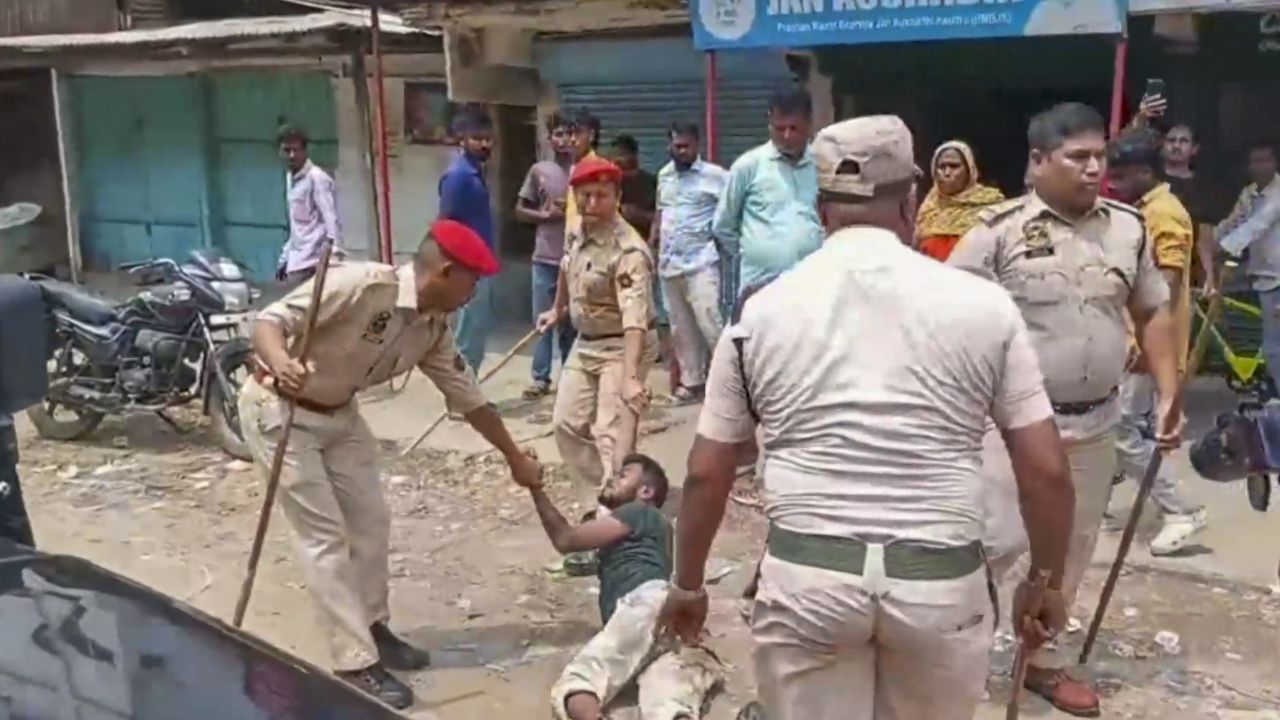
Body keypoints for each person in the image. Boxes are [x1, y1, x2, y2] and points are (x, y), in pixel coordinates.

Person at [657, 114, 1076, 720]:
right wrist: (1044, 580)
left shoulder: (760, 314)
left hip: (808, 583)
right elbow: (1047, 472)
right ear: (910, 204)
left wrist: (688, 586)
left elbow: (706, 471)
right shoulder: (985, 308)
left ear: (820, 209)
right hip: (940, 585)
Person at [238, 219, 542, 709]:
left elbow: (468, 398)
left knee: (370, 524)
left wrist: (513, 457)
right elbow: (268, 324)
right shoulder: (360, 285)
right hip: (281, 411)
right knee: (324, 538)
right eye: (472, 281)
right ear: (445, 272)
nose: (474, 292)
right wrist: (281, 362)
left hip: (341, 416)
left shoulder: (432, 328)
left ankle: (372, 627)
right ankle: (353, 662)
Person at [949, 102, 1182, 716]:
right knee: (990, 543)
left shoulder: (1128, 230)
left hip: (1098, 420)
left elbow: (1153, 310)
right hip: (1010, 426)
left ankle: (1042, 662)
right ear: (1037, 162)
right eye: (1077, 158)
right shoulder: (994, 233)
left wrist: (1168, 392)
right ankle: (955, 658)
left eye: (1099, 156)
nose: (1093, 168)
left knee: (1070, 551)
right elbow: (943, 319)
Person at [526, 454, 721, 720]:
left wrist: (535, 487)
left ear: (646, 491)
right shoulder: (656, 532)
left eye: (623, 474)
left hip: (644, 602)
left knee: (578, 684)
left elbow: (566, 539)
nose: (612, 478)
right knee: (668, 698)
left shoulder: (638, 512)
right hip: (668, 614)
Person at [1106, 127, 1207, 555]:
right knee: (1119, 427)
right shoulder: (1147, 207)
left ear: (1145, 172)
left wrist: (1142, 341)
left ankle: (1180, 509)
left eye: (1122, 177)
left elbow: (1163, 286)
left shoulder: (1164, 213)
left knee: (1124, 431)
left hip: (1147, 347)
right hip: (1134, 341)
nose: (1116, 185)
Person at [536, 158, 656, 489]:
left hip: (623, 345)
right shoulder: (576, 231)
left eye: (601, 195)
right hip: (586, 342)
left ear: (616, 196)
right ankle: (607, 488)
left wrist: (631, 378)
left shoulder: (629, 250)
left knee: (610, 432)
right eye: (585, 195)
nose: (592, 203)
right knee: (565, 425)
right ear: (574, 196)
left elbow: (635, 321)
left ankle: (617, 501)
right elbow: (566, 267)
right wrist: (556, 309)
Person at [712, 86, 822, 322]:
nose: (787, 136)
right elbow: (723, 225)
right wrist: (754, 252)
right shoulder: (749, 166)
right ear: (769, 122)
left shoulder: (823, 166)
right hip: (760, 288)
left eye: (795, 128)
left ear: (810, 125)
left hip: (814, 287)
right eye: (779, 128)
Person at [654, 122, 730, 404]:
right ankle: (692, 383)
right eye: (676, 146)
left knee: (710, 321)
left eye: (686, 146)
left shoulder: (717, 177)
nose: (681, 151)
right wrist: (654, 249)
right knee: (680, 328)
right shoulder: (664, 176)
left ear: (697, 145)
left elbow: (733, 211)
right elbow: (661, 215)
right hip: (669, 263)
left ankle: (731, 383)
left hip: (702, 262)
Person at [517, 111, 578, 399]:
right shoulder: (539, 170)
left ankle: (570, 375)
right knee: (542, 319)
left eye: (569, 133)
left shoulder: (584, 170)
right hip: (544, 258)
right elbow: (519, 211)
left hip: (575, 258)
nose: (564, 140)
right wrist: (547, 214)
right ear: (549, 138)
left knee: (570, 321)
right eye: (558, 134)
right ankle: (540, 378)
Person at [439, 107, 497, 374]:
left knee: (478, 327)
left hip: (481, 264)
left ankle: (466, 390)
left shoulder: (475, 173)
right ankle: (462, 396)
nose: (484, 144)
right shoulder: (458, 176)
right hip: (466, 266)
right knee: (469, 331)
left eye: (488, 138)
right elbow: (446, 223)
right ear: (461, 139)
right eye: (477, 138)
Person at [1218, 141, 1280, 387]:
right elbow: (1234, 221)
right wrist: (1209, 238)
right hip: (1262, 275)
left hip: (1277, 277)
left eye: (1265, 160)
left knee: (1275, 346)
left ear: (1275, 162)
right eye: (1255, 161)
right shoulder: (1249, 193)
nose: (1260, 166)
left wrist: (1223, 248)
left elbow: (1257, 225)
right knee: (1270, 343)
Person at [914, 140, 1005, 262]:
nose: (947, 173)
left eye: (954, 166)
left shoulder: (991, 207)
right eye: (941, 167)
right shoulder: (927, 209)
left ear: (969, 169)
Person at [277, 125, 341, 285]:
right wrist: (284, 258)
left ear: (305, 151)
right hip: (296, 262)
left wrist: (334, 256)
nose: (291, 155)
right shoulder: (289, 178)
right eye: (286, 150)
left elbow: (331, 219)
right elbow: (296, 225)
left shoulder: (317, 178)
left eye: (296, 150)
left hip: (313, 263)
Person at [564, 109, 603, 234]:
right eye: (570, 134)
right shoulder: (574, 167)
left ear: (591, 136)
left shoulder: (598, 168)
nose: (573, 139)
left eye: (578, 133)